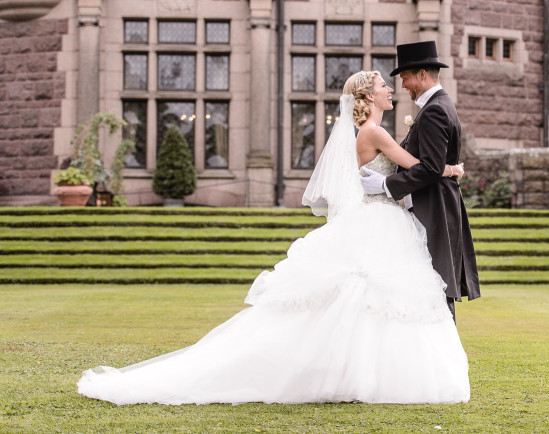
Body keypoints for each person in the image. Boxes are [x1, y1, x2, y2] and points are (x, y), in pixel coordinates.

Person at [77, 70, 471, 405]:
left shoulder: (368, 131)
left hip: (376, 216)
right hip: (379, 221)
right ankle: (361, 374)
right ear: (369, 97)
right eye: (385, 86)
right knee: (370, 295)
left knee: (363, 298)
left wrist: (389, 181)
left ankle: (352, 373)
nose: (391, 89)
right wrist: (451, 169)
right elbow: (423, 167)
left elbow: (379, 175)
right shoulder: (375, 132)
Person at [360, 40, 480, 321]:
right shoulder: (437, 106)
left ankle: (442, 351)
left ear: (422, 75)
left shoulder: (435, 110)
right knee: (432, 282)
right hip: (433, 205)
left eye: (406, 78)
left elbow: (429, 168)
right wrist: (449, 169)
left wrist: (384, 186)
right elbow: (434, 165)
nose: (403, 85)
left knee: (437, 283)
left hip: (435, 208)